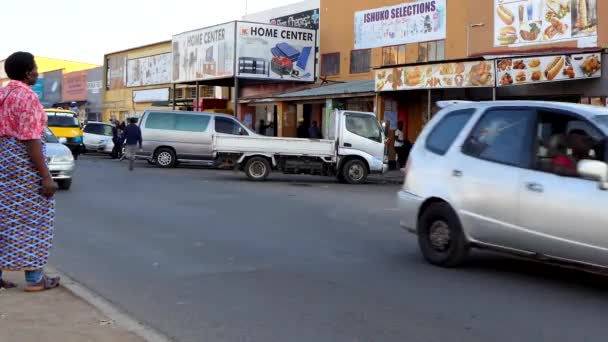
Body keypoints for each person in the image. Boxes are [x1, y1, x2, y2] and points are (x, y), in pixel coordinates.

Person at [0, 52, 60, 291]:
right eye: (35, 68)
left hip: (3, 164)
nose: (36, 72)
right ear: (28, 72)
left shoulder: (3, 93)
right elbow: (31, 140)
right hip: (24, 168)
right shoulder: (27, 97)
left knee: (3, 219)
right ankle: (35, 279)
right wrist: (46, 176)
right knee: (34, 220)